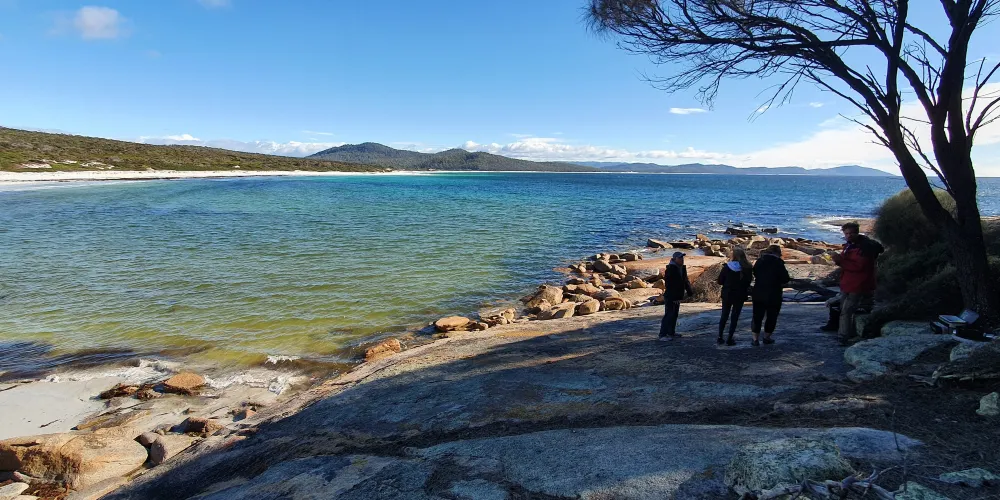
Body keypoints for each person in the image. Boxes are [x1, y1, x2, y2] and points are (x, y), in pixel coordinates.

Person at [829, 221, 884, 345]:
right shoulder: (851, 245)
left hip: (858, 284)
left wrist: (840, 261)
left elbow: (859, 266)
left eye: (851, 233)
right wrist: (838, 259)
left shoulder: (865, 248)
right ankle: (847, 333)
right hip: (848, 282)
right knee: (844, 309)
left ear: (857, 233)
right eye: (846, 234)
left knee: (847, 311)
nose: (848, 236)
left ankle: (843, 337)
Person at [751, 245, 790, 346]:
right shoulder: (778, 263)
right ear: (778, 253)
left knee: (757, 316)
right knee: (772, 316)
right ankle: (766, 337)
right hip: (774, 292)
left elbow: (754, 273)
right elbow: (786, 278)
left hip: (759, 291)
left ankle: (755, 339)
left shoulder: (759, 261)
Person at [717, 247, 753, 346]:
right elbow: (748, 281)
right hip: (740, 294)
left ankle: (720, 337)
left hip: (727, 293)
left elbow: (720, 281)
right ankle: (730, 338)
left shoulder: (727, 267)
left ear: (733, 256)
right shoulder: (747, 268)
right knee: (735, 316)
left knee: (724, 315)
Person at [659, 251, 693, 341]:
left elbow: (685, 281)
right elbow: (670, 285)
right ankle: (662, 335)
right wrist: (675, 297)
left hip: (677, 295)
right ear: (675, 259)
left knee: (674, 315)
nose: (682, 259)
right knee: (669, 315)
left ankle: (671, 332)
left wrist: (690, 292)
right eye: (680, 258)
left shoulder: (682, 268)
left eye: (682, 257)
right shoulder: (670, 269)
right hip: (671, 296)